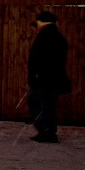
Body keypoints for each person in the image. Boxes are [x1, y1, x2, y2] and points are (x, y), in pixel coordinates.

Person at [28, 11, 70, 143]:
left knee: (34, 101)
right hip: (54, 77)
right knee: (49, 104)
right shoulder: (58, 36)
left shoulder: (44, 36)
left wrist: (35, 74)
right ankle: (50, 131)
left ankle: (44, 129)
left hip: (43, 78)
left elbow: (37, 58)